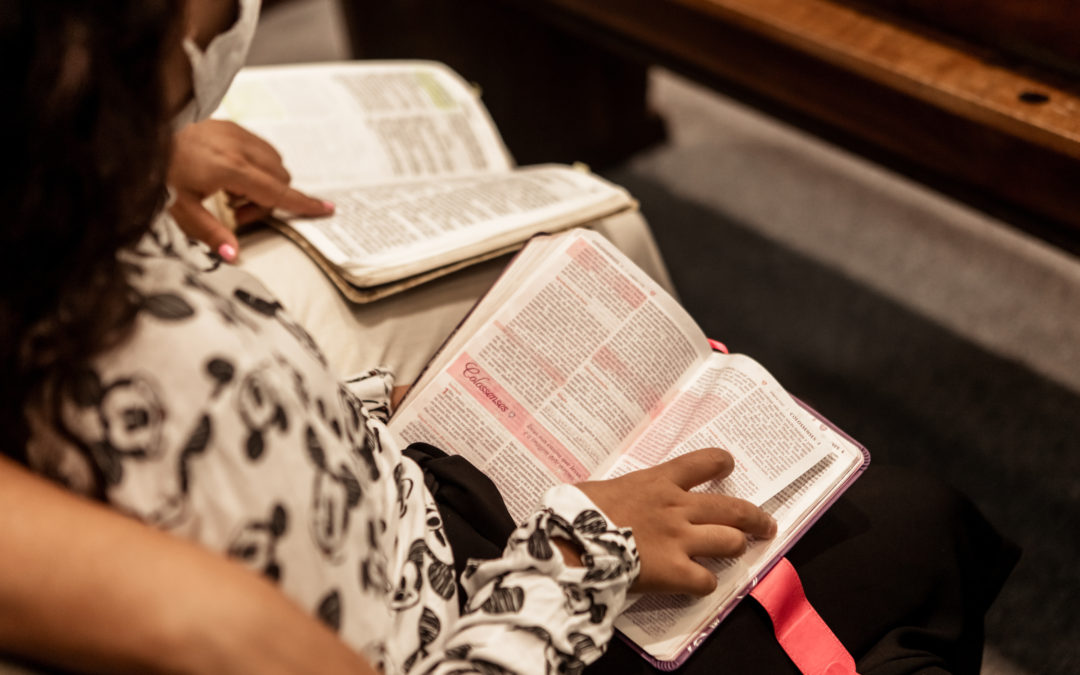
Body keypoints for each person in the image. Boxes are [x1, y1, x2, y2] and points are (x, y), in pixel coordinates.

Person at [0, 1, 1017, 673]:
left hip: (420, 523)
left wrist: (141, 161)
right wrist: (580, 549)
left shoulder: (56, 231)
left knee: (890, 520)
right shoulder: (188, 395)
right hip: (492, 606)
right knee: (914, 534)